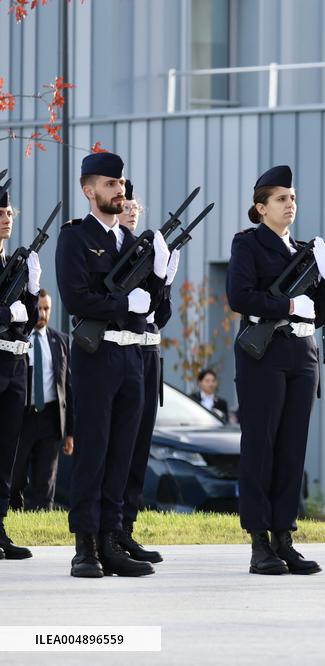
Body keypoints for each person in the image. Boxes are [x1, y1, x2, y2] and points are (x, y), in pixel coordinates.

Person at [55, 152, 169, 578]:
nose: (119, 191)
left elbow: (153, 305)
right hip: (96, 355)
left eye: (121, 184)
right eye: (109, 184)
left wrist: (160, 276)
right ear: (89, 190)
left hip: (131, 355)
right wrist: (124, 302)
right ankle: (84, 547)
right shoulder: (76, 238)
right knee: (95, 452)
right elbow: (77, 298)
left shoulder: (128, 241)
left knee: (122, 453)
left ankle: (110, 538)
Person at [227, 165, 325, 575]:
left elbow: (322, 312)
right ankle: (259, 542)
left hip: (302, 352)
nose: (290, 204)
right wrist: (287, 305)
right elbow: (240, 295)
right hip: (264, 353)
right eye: (281, 199)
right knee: (262, 445)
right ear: (261, 207)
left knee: (293, 447)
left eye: (292, 198)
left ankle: (284, 538)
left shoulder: (305, 250)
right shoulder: (248, 245)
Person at [117, 180, 181, 564]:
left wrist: (163, 283)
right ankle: (112, 528)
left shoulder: (148, 251)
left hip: (148, 354)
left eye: (135, 204)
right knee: (120, 449)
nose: (131, 209)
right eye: (125, 203)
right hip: (123, 353)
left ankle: (127, 527)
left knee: (139, 447)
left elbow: (161, 316)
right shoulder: (114, 253)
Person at [0, 185, 42, 560]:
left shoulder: (9, 262)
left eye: (9, 211)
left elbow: (26, 320)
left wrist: (31, 289)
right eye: (1, 213)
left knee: (6, 449)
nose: (7, 217)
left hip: (14, 364)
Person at [11, 288, 73, 512]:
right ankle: (13, 516)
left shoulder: (61, 341)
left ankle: (41, 517)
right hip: (23, 417)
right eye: (38, 309)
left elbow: (68, 388)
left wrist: (70, 433)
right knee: (15, 476)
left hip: (50, 417)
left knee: (46, 479)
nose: (43, 314)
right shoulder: (19, 339)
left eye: (46, 309)